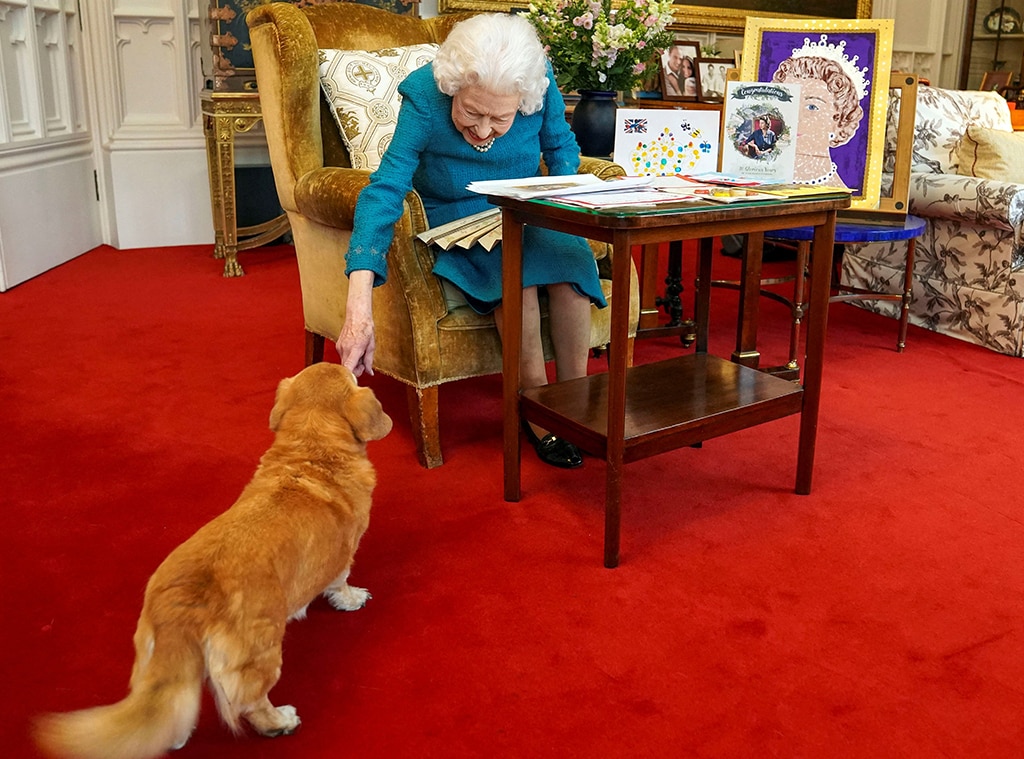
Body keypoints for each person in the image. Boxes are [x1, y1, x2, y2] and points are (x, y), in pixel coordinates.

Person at [337, 13, 604, 469]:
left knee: (571, 271)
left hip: (526, 206)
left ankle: (572, 405)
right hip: (456, 213)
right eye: (471, 112)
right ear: (453, 86)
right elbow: (386, 187)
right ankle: (537, 411)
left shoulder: (539, 82)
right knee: (514, 279)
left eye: (500, 118)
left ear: (522, 98)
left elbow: (561, 151)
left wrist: (569, 212)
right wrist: (358, 299)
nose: (483, 131)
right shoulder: (424, 93)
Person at [772, 51, 864, 188]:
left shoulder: (837, 192)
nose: (795, 117)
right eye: (787, 103)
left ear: (838, 120)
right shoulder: (755, 183)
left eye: (811, 107)